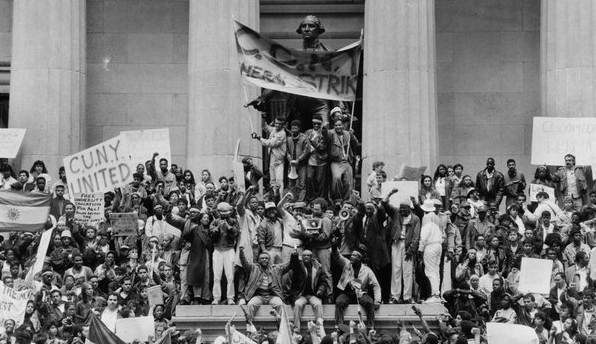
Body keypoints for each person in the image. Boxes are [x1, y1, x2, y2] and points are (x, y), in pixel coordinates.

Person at [382, 189, 420, 304]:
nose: (402, 210)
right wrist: (390, 194)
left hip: (408, 246)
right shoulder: (396, 213)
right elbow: (384, 204)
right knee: (396, 270)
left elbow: (416, 236)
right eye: (401, 208)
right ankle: (395, 296)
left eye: (404, 208)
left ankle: (407, 297)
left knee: (407, 272)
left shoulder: (415, 219)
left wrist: (411, 250)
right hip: (396, 244)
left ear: (409, 208)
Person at [238, 247, 294, 324]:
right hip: (259, 296)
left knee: (280, 305)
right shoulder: (253, 268)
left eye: (266, 258)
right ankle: (250, 328)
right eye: (262, 258)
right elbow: (244, 263)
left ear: (269, 260)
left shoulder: (276, 269)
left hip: (272, 296)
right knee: (251, 305)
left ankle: (282, 327)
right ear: (258, 260)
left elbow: (289, 265)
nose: (264, 260)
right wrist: (241, 252)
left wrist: (294, 255)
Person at [332, 246, 381, 327]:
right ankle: (339, 327)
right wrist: (334, 247)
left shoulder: (367, 270)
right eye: (351, 255)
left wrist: (377, 301)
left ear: (359, 259)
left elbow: (376, 285)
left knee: (369, 302)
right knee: (339, 301)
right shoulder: (346, 264)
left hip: (360, 294)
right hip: (347, 294)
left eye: (354, 255)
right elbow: (338, 256)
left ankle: (370, 328)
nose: (351, 256)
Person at [287, 249, 326, 331]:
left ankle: (319, 328)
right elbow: (294, 263)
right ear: (302, 257)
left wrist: (320, 290)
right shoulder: (299, 267)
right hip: (301, 295)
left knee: (318, 304)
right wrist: (294, 256)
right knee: (297, 304)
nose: (306, 257)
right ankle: (296, 328)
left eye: (308, 255)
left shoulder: (318, 267)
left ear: (311, 257)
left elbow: (323, 282)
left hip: (313, 295)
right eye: (304, 255)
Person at [209, 202, 239, 305]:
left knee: (230, 276)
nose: (224, 214)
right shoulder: (214, 222)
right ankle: (216, 297)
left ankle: (230, 297)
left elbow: (236, 233)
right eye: (222, 212)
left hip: (229, 249)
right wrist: (217, 229)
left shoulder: (234, 221)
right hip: (217, 250)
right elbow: (211, 234)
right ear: (218, 212)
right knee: (217, 276)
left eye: (226, 212)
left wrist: (228, 227)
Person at [418, 199, 444, 303]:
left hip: (430, 245)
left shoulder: (426, 217)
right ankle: (437, 293)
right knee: (436, 270)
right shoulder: (437, 217)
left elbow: (424, 235)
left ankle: (434, 294)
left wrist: (420, 249)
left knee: (430, 271)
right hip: (438, 245)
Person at [327, 118, 359, 202]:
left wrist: (352, 135)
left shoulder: (347, 134)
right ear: (334, 126)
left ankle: (346, 200)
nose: (338, 127)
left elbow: (355, 144)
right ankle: (338, 198)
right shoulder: (331, 133)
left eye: (340, 125)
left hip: (346, 162)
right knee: (337, 178)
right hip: (336, 162)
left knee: (348, 182)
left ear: (343, 126)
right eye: (336, 125)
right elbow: (325, 134)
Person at [253, 117, 287, 195]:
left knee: (279, 182)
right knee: (272, 181)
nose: (277, 125)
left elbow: (270, 143)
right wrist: (263, 116)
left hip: (279, 161)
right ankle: (274, 198)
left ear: (283, 125)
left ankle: (280, 199)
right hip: (272, 158)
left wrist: (258, 137)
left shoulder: (282, 134)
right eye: (276, 123)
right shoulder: (274, 129)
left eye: (279, 124)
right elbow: (265, 127)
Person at [286, 120, 309, 202]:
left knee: (302, 184)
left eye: (296, 128)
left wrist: (298, 160)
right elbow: (287, 151)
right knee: (291, 183)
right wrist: (290, 160)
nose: (294, 130)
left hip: (301, 164)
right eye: (292, 128)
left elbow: (306, 151)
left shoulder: (304, 138)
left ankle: (300, 201)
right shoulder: (288, 139)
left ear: (299, 128)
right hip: (291, 165)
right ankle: (291, 201)